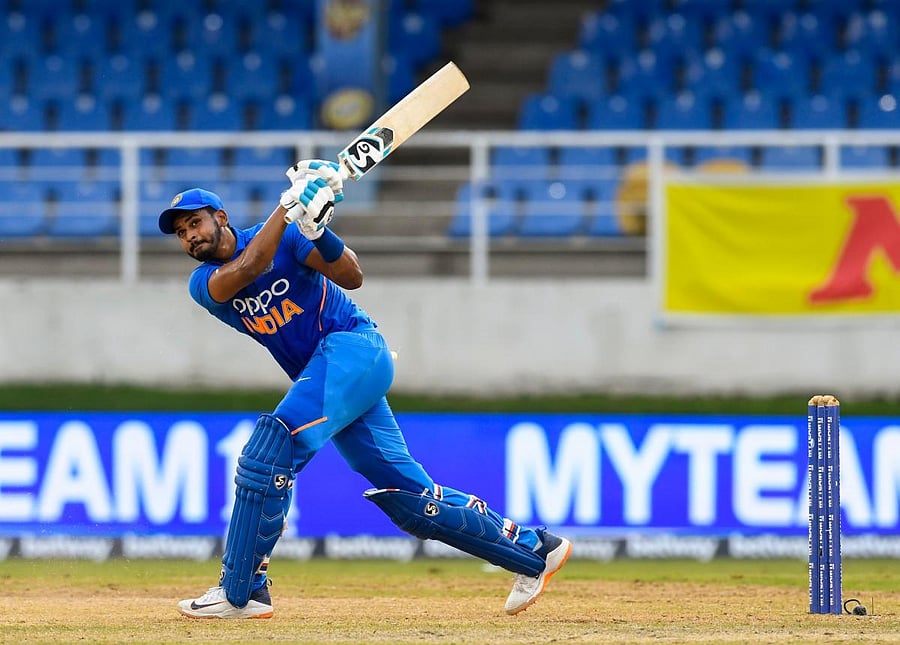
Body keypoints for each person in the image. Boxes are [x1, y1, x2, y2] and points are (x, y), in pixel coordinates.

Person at [160, 160, 571, 619]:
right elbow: (251, 264)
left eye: (195, 223)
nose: (190, 236)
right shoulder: (203, 284)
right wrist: (288, 207)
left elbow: (352, 276)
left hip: (354, 349)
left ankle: (241, 592)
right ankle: (535, 551)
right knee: (409, 497)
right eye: (181, 232)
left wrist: (318, 233)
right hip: (334, 375)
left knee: (270, 452)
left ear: (220, 217)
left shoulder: (289, 236)